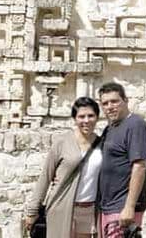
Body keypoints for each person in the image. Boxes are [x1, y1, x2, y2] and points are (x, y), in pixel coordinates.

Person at [25, 97, 104, 238]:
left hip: (89, 210)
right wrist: (32, 211)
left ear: (97, 117)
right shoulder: (62, 142)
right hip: (60, 208)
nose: (86, 120)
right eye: (81, 116)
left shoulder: (102, 145)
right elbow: (45, 177)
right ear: (75, 119)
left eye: (91, 116)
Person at [97, 82, 146, 238]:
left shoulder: (135, 125)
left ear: (125, 101)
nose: (110, 106)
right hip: (108, 207)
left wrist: (129, 206)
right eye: (105, 103)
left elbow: (140, 166)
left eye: (114, 101)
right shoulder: (110, 128)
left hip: (122, 209)